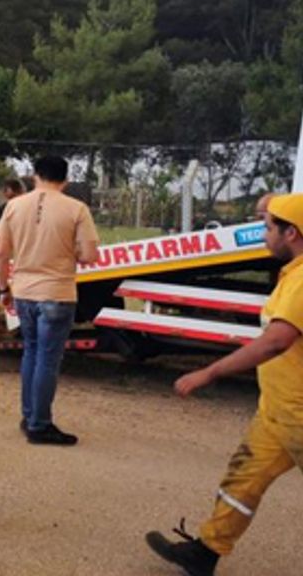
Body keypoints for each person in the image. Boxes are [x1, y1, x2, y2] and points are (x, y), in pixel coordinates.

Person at [144, 193, 303, 576]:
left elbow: (277, 340)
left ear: (292, 233)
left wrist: (209, 372)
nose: (264, 235)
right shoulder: (293, 274)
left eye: (268, 228)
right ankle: (206, 551)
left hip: (299, 414)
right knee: (243, 479)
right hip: (278, 413)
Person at [0, 155, 99, 446]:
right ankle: (40, 424)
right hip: (57, 292)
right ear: (65, 180)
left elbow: (1, 253)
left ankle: (29, 416)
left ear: (34, 176)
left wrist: (4, 289)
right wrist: (70, 253)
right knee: (48, 360)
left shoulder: (14, 206)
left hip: (24, 291)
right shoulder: (77, 208)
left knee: (31, 352)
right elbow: (89, 255)